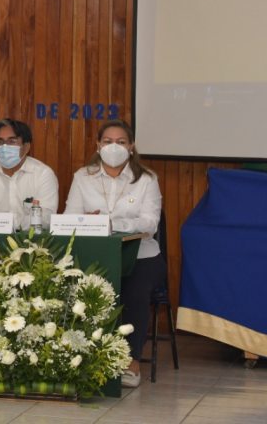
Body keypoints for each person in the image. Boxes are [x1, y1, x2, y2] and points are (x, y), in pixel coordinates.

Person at [64, 119, 164, 388]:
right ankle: (79, 356)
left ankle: (131, 361)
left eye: (120, 142)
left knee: (134, 291)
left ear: (131, 147)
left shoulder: (146, 179)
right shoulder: (82, 177)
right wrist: (87, 221)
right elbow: (69, 217)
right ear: (98, 146)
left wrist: (113, 224)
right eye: (107, 142)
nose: (114, 147)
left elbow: (150, 223)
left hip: (141, 255)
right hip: (93, 253)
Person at [0, 118, 58, 230]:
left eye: (11, 141)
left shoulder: (43, 174)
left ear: (26, 147)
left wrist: (1, 221)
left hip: (30, 243)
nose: (4, 147)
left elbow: (45, 218)